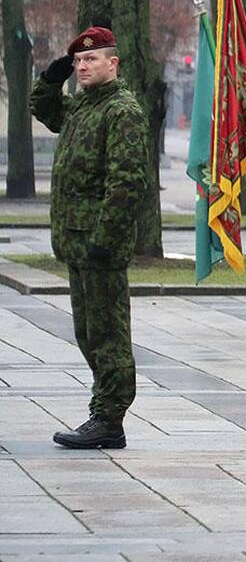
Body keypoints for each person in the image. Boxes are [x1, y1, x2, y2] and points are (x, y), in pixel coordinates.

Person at [31, 27, 150, 449]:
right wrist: (50, 79)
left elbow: (126, 182)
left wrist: (106, 236)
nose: (82, 67)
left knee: (107, 333)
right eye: (78, 62)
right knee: (87, 331)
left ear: (112, 63)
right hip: (77, 241)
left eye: (91, 60)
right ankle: (103, 413)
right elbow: (45, 109)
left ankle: (109, 418)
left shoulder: (121, 111)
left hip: (99, 244)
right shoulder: (84, 107)